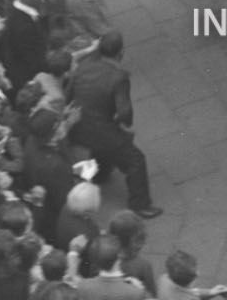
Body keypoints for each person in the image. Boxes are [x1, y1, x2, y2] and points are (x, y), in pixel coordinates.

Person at [66, 31, 162, 218]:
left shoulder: (83, 67)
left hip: (77, 124)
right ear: (121, 52)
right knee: (135, 160)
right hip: (101, 129)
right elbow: (124, 111)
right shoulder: (118, 77)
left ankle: (99, 174)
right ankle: (139, 204)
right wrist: (123, 123)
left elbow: (69, 94)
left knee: (103, 149)